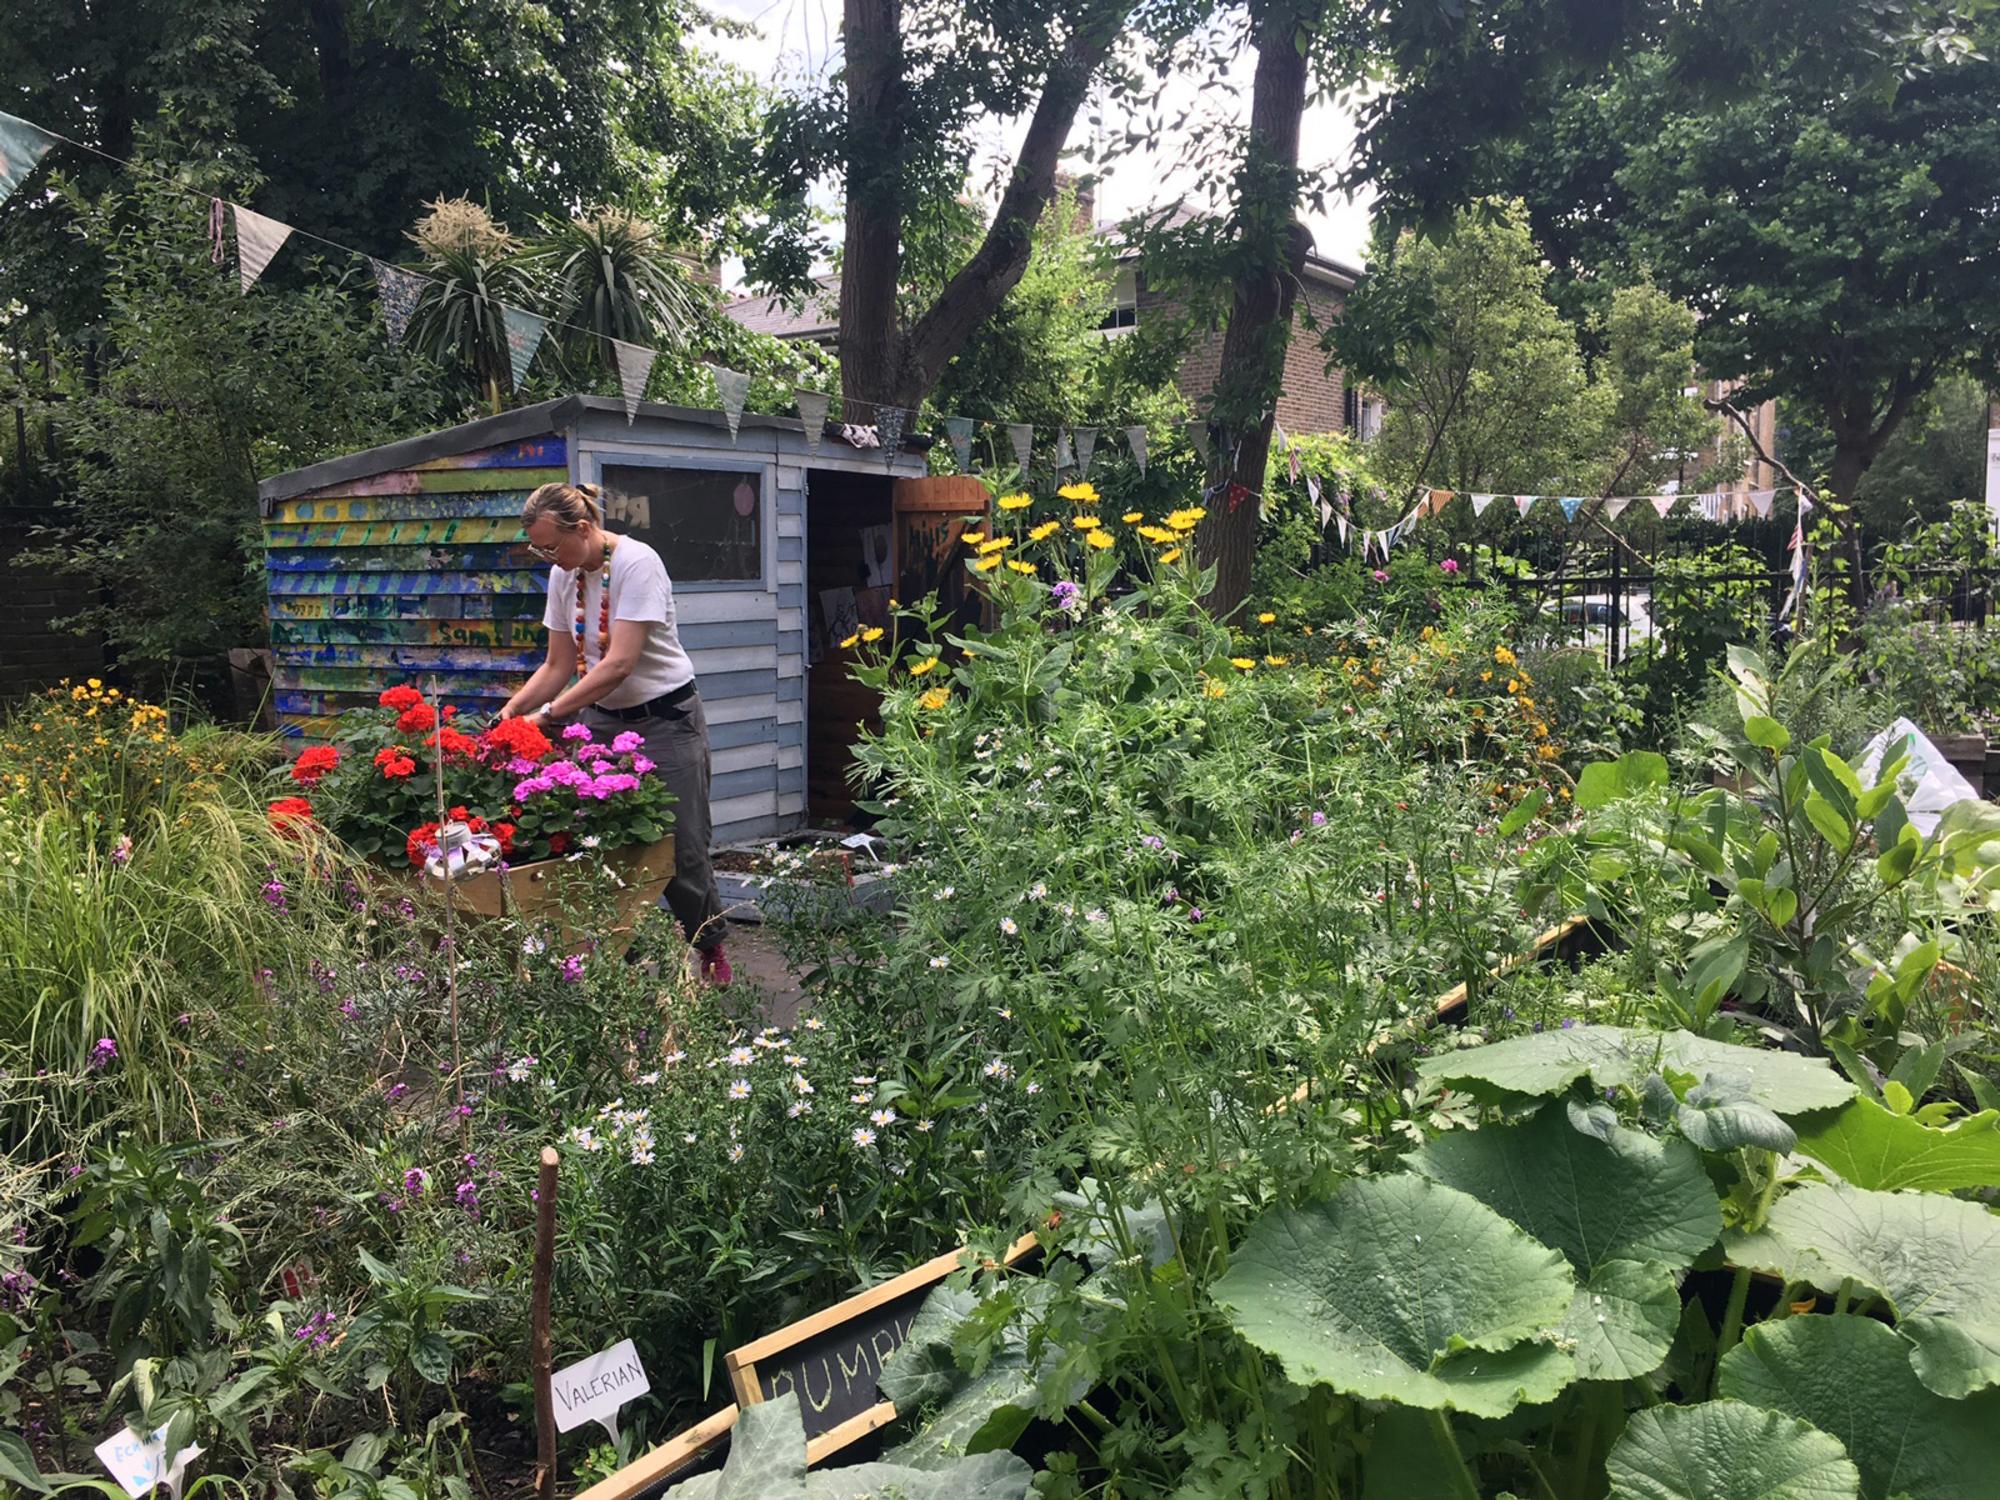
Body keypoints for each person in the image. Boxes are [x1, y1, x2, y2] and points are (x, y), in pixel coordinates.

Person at [500, 481, 731, 986]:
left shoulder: (637, 563)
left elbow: (620, 662)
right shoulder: (565, 576)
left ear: (583, 529)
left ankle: (710, 948)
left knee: (683, 847)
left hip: (667, 718)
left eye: (552, 546)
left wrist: (551, 716)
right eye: (538, 548)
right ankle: (617, 957)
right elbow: (559, 663)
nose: (547, 556)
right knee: (601, 841)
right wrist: (515, 710)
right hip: (604, 720)